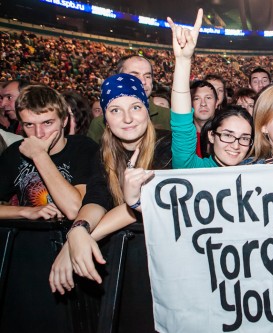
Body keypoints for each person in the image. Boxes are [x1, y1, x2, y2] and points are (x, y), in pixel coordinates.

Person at [49, 72, 173, 294]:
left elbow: (140, 206)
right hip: (121, 263)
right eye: (116, 110)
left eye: (135, 107)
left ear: (147, 111)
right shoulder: (102, 152)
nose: (127, 118)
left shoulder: (167, 145)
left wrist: (75, 242)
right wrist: (79, 229)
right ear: (105, 118)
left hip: (163, 262)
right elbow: (97, 199)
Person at [0, 85, 98, 220]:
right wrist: (25, 211)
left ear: (64, 121)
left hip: (70, 237)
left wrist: (39, 155)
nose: (38, 133)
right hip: (29, 238)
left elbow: (74, 209)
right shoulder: (14, 153)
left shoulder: (83, 148)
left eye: (47, 123)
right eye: (29, 125)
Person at [170, 12, 253, 169]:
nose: (236, 145)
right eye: (227, 135)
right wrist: (183, 61)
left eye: (244, 138)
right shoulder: (194, 169)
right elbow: (181, 125)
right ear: (212, 136)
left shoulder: (261, 174)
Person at [87, 54, 171, 143]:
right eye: (134, 76)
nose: (143, 81)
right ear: (118, 79)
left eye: (147, 76)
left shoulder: (169, 117)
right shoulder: (99, 125)